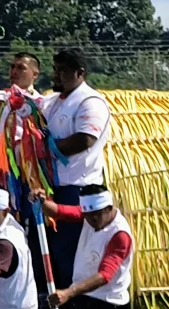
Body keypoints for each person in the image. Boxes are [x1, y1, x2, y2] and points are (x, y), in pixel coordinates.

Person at [39, 48, 112, 289]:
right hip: (49, 188)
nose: (56, 75)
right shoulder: (51, 101)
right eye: (55, 69)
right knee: (46, 249)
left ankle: (71, 301)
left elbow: (84, 140)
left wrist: (44, 149)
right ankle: (51, 301)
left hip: (76, 190)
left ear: (80, 73)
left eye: (63, 71)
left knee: (68, 251)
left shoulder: (90, 101)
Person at [34, 185, 131, 309]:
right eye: (87, 215)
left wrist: (68, 293)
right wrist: (41, 201)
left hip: (106, 303)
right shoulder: (90, 214)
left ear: (109, 208)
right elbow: (59, 211)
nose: (91, 220)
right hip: (83, 298)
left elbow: (104, 275)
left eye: (96, 215)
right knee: (36, 306)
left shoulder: (120, 235)